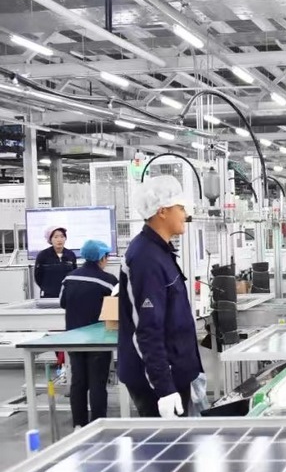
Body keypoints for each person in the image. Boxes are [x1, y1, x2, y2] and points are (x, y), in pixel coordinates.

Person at [118, 175, 203, 418]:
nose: (185, 214)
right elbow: (146, 329)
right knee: (167, 442)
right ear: (162, 211)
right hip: (157, 383)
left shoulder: (160, 252)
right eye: (180, 208)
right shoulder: (146, 258)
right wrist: (164, 388)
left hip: (175, 372)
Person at [59, 240, 117, 427]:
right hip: (99, 340)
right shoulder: (109, 281)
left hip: (73, 338)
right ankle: (98, 425)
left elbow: (63, 302)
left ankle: (79, 425)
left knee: (78, 381)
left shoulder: (69, 278)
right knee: (97, 383)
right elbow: (116, 309)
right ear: (102, 258)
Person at [35, 226, 77, 298]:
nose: (59, 240)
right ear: (50, 239)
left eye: (62, 236)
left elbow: (74, 274)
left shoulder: (70, 254)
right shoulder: (43, 255)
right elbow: (38, 276)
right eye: (56, 237)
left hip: (67, 293)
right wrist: (46, 288)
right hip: (48, 295)